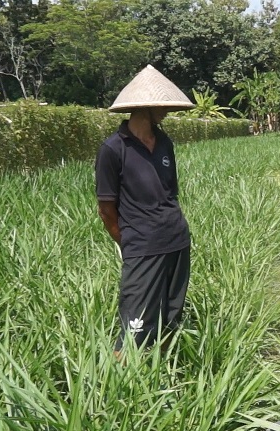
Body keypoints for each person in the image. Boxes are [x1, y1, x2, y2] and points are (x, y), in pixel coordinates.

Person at [95, 65, 195, 357]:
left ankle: (162, 372)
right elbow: (106, 210)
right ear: (144, 106)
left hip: (177, 240)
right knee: (134, 326)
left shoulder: (164, 143)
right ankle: (119, 389)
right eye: (161, 105)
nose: (166, 110)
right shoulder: (113, 149)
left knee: (170, 319)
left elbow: (170, 192)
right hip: (142, 246)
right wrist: (129, 243)